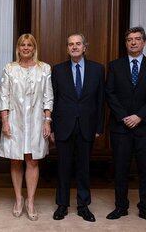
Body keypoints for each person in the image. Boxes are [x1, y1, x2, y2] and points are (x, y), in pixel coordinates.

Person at [105, 26, 146, 225]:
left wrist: (139, 116)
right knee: (120, 169)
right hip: (121, 127)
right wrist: (125, 117)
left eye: (137, 39)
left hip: (145, 127)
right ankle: (121, 207)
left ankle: (145, 208)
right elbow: (110, 94)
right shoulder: (115, 65)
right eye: (129, 39)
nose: (133, 42)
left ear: (144, 42)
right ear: (126, 43)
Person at [0, 33, 53, 221]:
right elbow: (3, 95)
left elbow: (48, 96)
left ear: (34, 47)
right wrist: (4, 121)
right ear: (18, 48)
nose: (26, 48)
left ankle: (30, 200)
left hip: (36, 121)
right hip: (15, 120)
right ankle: (18, 199)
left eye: (29, 45)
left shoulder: (44, 68)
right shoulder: (9, 69)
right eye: (23, 45)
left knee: (32, 160)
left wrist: (47, 121)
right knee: (15, 159)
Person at [51, 33, 105, 222]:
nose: (74, 47)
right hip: (63, 127)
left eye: (78, 44)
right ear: (67, 48)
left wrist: (99, 127)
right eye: (70, 44)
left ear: (85, 47)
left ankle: (83, 206)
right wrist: (51, 128)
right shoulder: (57, 70)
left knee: (84, 168)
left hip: (87, 126)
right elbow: (54, 100)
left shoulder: (98, 69)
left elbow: (100, 101)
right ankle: (62, 205)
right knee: (63, 168)